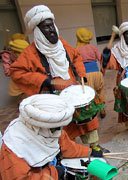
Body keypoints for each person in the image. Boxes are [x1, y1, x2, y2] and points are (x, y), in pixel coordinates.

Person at [0, 94, 105, 180]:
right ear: (40, 125)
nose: (60, 131)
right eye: (57, 128)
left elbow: (66, 146)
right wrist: (54, 174)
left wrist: (90, 152)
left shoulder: (50, 128)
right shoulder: (14, 146)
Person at [10, 5, 104, 150]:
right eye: (46, 27)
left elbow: (76, 57)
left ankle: (95, 147)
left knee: (88, 119)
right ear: (38, 31)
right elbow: (16, 72)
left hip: (73, 88)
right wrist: (43, 80)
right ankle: (71, 152)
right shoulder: (30, 53)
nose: (52, 30)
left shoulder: (62, 44)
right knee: (64, 127)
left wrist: (81, 75)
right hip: (53, 98)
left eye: (52, 25)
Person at [76, 27, 106, 118]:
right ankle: (102, 109)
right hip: (97, 74)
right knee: (100, 91)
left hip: (86, 76)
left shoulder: (76, 50)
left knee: (90, 94)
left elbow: (75, 65)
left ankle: (93, 113)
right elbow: (101, 59)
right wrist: (102, 70)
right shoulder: (93, 48)